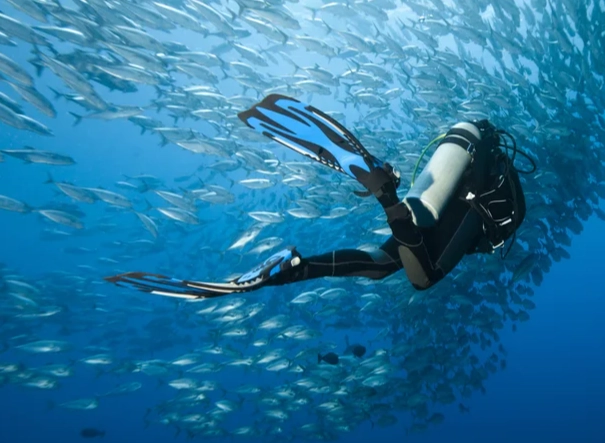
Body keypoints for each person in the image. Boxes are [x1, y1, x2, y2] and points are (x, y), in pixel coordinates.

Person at [106, 95, 533, 299]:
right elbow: (486, 226)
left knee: (386, 264)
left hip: (436, 195)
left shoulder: (474, 150)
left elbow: (435, 195)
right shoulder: (499, 180)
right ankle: (385, 195)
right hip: (467, 204)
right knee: (423, 278)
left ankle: (297, 267)